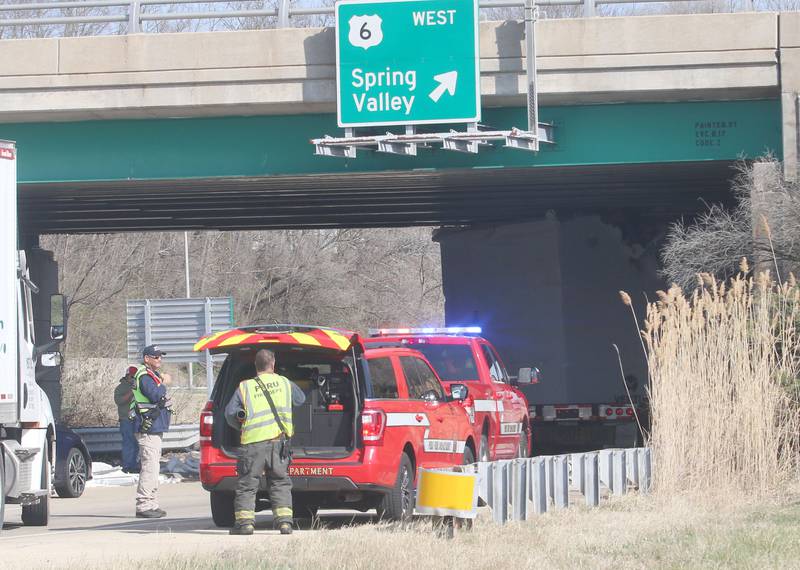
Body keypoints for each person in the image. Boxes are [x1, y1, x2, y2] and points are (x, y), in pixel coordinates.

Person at [225, 349, 305, 536]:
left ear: (256, 365)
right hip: (279, 444)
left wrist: (241, 426)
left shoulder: (245, 387)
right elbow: (301, 400)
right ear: (273, 364)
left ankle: (245, 524)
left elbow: (229, 413)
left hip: (253, 444)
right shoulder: (285, 383)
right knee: (280, 482)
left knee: (247, 484)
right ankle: (285, 523)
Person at [130, 344, 173, 519]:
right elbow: (156, 396)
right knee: (149, 467)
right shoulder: (145, 376)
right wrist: (163, 383)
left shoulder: (152, 375)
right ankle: (144, 504)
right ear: (147, 359)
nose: (159, 359)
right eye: (156, 357)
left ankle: (152, 503)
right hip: (147, 428)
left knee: (154, 467)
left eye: (160, 356)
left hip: (154, 428)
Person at [113, 366, 140, 474]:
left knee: (137, 443)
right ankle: (127, 465)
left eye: (135, 376)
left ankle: (135, 464)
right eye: (132, 376)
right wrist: (131, 392)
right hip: (126, 419)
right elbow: (119, 401)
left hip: (137, 419)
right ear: (127, 375)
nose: (133, 378)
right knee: (128, 443)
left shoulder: (139, 386)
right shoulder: (120, 388)